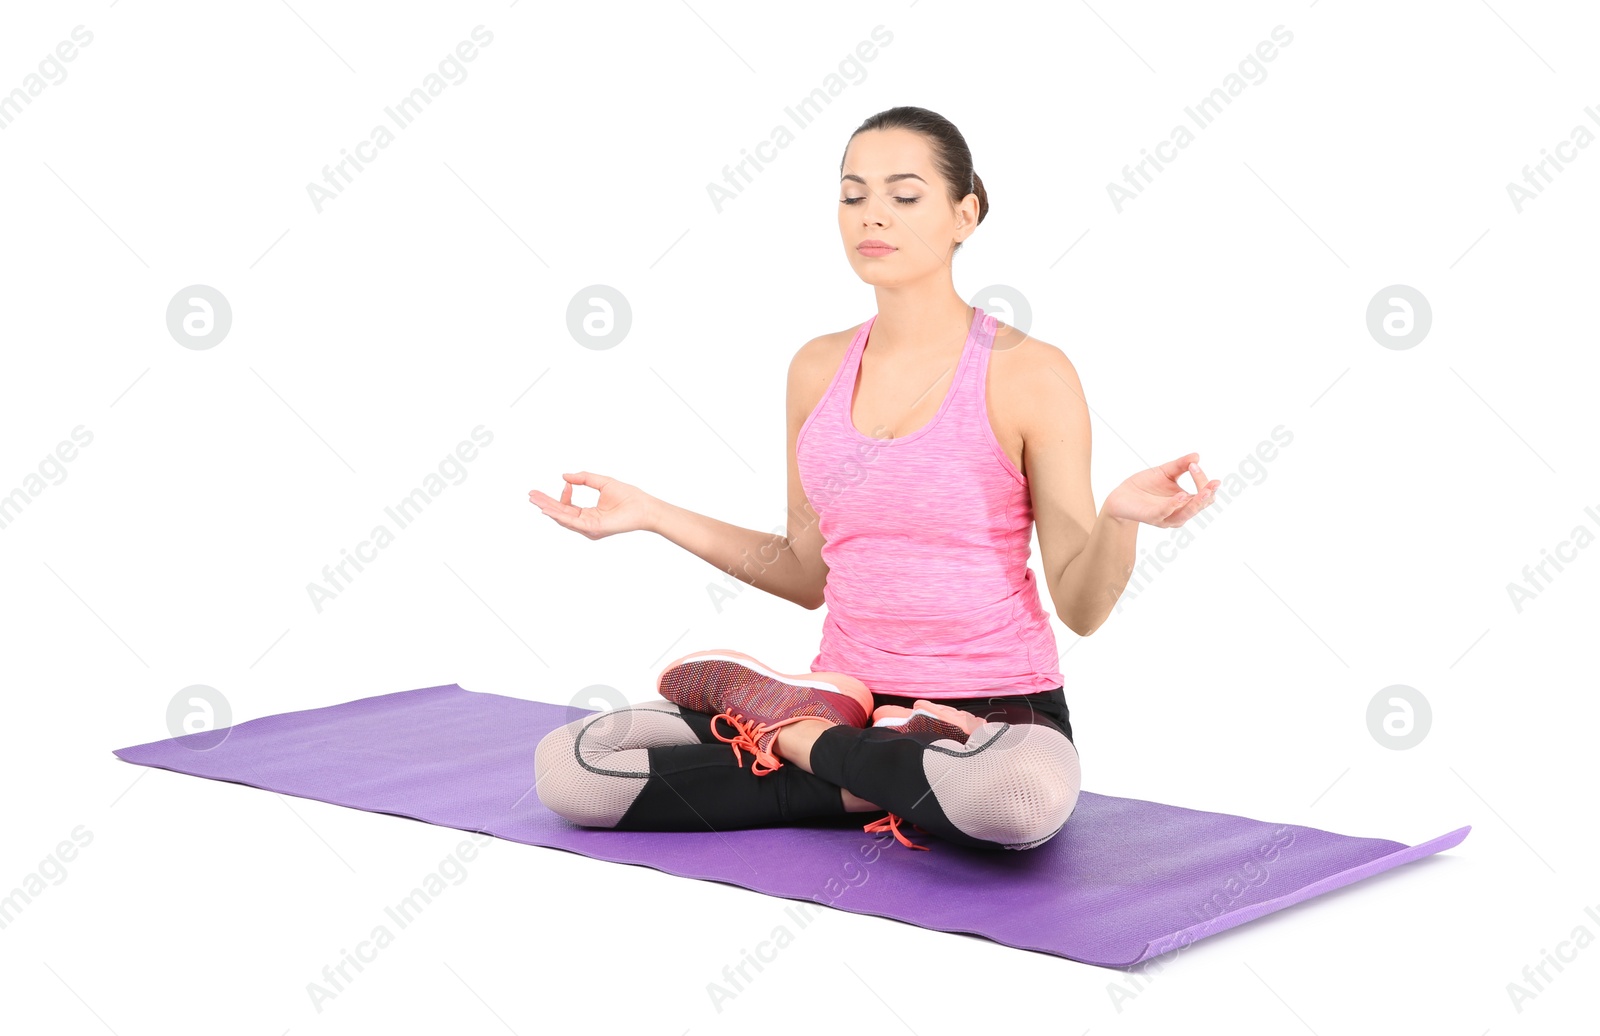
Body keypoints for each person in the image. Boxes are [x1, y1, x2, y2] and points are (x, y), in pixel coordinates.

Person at [528, 106, 1218, 852]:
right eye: (853, 195)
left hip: (992, 712)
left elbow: (1081, 610)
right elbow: (802, 572)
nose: (872, 216)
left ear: (965, 214)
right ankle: (877, 764)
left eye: (904, 195)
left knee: (1019, 800)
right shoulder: (816, 368)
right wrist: (653, 513)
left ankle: (794, 741)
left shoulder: (1030, 372)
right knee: (574, 770)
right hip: (844, 698)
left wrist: (1119, 519)